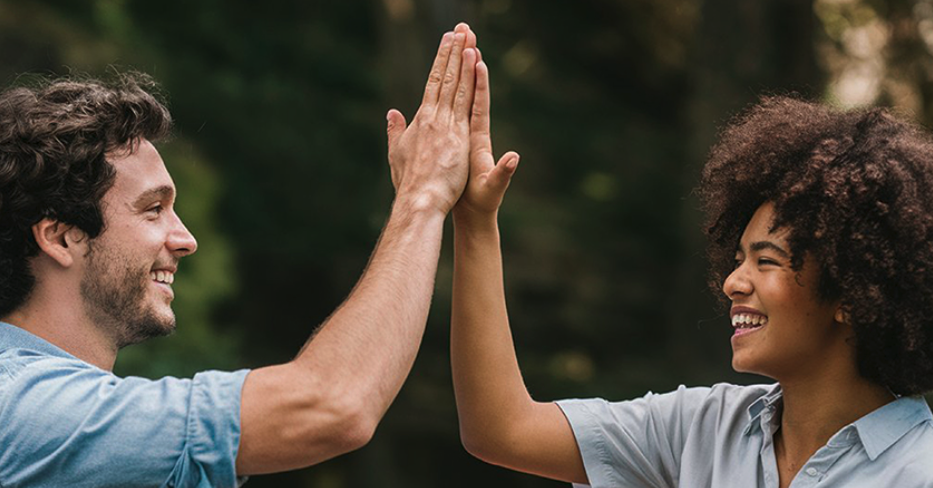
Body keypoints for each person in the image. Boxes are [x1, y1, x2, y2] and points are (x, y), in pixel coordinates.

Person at [0, 23, 484, 487]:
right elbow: (332, 405)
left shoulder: (75, 422)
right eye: (152, 210)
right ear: (61, 238)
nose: (185, 239)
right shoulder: (27, 406)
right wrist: (422, 198)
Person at [451, 95, 933, 487]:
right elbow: (503, 431)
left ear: (851, 294)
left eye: (766, 261)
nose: (732, 282)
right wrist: (475, 224)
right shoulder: (700, 430)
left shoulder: (918, 470)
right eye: (738, 258)